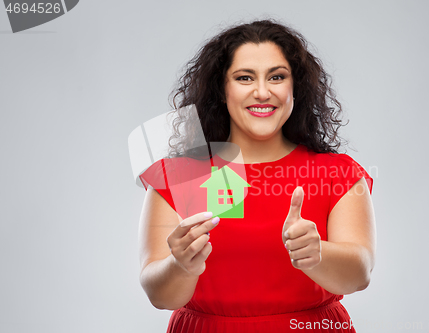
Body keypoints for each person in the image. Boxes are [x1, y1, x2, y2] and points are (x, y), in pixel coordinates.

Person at [137, 19, 376, 332]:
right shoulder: (180, 177)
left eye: (277, 77)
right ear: (222, 89)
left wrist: (319, 254)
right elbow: (159, 295)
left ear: (295, 88)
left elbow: (360, 274)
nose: (262, 92)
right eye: (244, 77)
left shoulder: (337, 174)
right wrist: (180, 265)